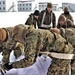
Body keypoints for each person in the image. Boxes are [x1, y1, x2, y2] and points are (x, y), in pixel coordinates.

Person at [0, 24, 73, 75]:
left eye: (16, 38)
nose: (17, 41)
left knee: (53, 72)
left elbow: (29, 61)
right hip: (64, 50)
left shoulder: (31, 38)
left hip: (63, 54)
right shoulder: (31, 33)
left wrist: (12, 65)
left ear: (19, 35)